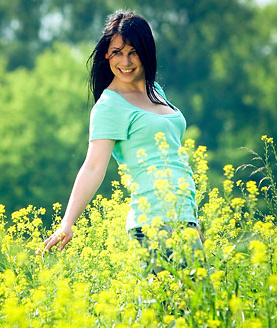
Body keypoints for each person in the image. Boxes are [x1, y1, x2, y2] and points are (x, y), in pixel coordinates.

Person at [40, 11, 202, 261]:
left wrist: (192, 219)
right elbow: (93, 167)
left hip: (183, 219)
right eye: (117, 52)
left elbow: (174, 158)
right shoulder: (109, 106)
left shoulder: (155, 91)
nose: (125, 62)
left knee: (195, 300)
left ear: (146, 51)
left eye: (133, 52)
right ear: (106, 54)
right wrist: (67, 222)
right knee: (174, 300)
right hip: (153, 224)